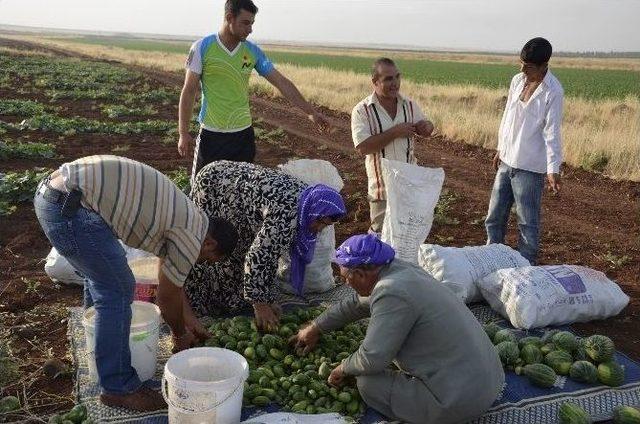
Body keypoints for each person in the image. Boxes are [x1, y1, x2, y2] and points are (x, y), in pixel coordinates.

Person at [33, 155, 238, 412]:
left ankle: (99, 354)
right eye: (208, 259)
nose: (202, 263)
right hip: (72, 210)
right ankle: (119, 388)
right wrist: (179, 333)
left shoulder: (190, 217)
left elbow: (170, 280)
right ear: (210, 244)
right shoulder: (192, 237)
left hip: (57, 195)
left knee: (103, 278)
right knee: (117, 289)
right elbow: (166, 297)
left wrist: (189, 319)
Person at [291, 234, 504, 424]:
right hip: (489, 381)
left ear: (362, 275)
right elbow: (357, 304)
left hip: (457, 401)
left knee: (367, 383)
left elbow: (372, 359)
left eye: (346, 277)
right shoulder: (400, 270)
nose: (346, 284)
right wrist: (316, 327)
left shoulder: (391, 292)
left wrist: (343, 368)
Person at [184, 160, 346, 332]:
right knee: (217, 248)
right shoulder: (289, 213)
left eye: (325, 225)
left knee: (244, 247)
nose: (319, 229)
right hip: (217, 187)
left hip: (238, 194)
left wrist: (267, 297)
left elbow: (270, 252)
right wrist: (260, 304)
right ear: (313, 211)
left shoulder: (307, 201)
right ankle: (200, 304)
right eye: (319, 222)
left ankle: (235, 299)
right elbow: (259, 255)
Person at [178, 0, 331, 181]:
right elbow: (189, 91)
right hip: (211, 137)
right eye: (246, 23)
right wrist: (183, 133)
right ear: (229, 18)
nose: (250, 29)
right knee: (202, 194)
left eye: (252, 23)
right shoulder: (202, 48)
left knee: (243, 196)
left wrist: (310, 112)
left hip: (243, 137)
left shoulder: (253, 52)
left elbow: (281, 82)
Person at [485, 37, 563, 264]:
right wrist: (500, 148)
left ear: (543, 66)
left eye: (528, 66)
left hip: (529, 168)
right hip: (507, 161)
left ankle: (525, 269)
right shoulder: (517, 81)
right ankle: (491, 260)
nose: (522, 69)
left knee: (527, 223)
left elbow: (552, 133)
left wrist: (553, 169)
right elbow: (508, 117)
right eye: (521, 63)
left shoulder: (553, 92)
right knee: (494, 218)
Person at [351, 57, 435, 233]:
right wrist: (395, 132)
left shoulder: (410, 106)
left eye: (397, 77)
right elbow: (363, 147)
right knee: (381, 239)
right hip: (382, 191)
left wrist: (426, 127)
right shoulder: (362, 110)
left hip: (409, 186)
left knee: (408, 237)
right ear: (375, 82)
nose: (395, 83)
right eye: (388, 79)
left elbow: (425, 127)